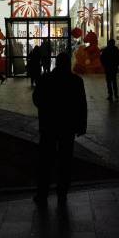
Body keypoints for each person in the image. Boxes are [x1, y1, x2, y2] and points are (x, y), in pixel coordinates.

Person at [32, 52, 87, 205]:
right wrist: (81, 125)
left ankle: (42, 193)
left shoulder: (45, 79)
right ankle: (62, 192)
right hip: (67, 127)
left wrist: (45, 110)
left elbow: (37, 99)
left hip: (48, 125)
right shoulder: (76, 81)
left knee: (45, 161)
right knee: (65, 160)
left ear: (56, 63)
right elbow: (81, 105)